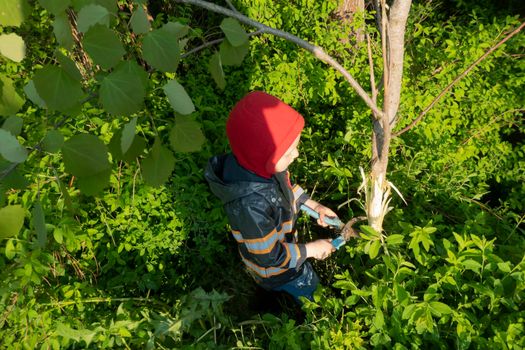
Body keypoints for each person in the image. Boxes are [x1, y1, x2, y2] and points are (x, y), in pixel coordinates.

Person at [205, 91, 338, 303]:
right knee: (307, 287)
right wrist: (311, 250)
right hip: (277, 270)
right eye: (288, 152)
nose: (295, 155)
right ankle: (310, 307)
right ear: (261, 155)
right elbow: (269, 257)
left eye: (296, 147)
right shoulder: (250, 205)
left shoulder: (262, 166)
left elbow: (285, 189)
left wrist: (314, 206)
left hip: (282, 250)